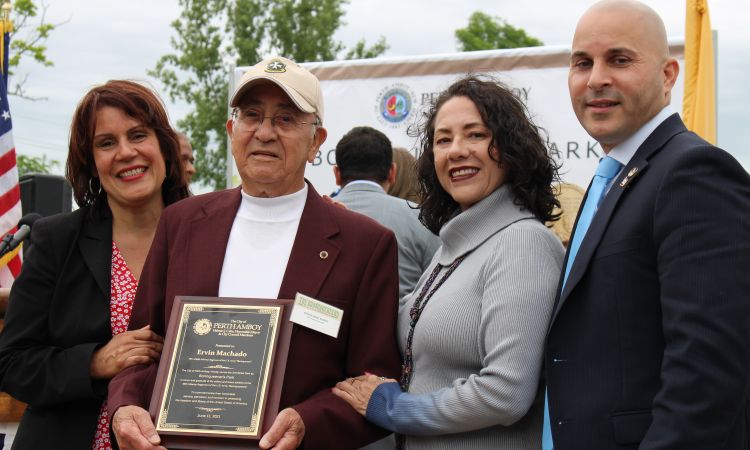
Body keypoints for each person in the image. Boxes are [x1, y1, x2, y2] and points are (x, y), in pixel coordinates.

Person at [107, 56, 401, 450]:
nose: (264, 132)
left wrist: (307, 423)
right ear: (232, 130)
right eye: (251, 115)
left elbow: (373, 381)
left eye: (285, 119)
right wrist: (125, 407)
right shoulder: (181, 224)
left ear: (316, 141)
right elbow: (143, 348)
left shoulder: (365, 244)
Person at [543, 1, 750, 449]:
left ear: (668, 76)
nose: (596, 78)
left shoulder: (694, 172)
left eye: (619, 59)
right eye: (582, 62)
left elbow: (705, 375)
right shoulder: (614, 178)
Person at [332, 76, 565, 449]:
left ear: (510, 148)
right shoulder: (451, 246)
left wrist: (395, 409)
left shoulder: (523, 243)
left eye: (475, 135)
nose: (456, 150)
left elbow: (506, 393)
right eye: (443, 140)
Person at [0, 80, 190, 449]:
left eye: (138, 135)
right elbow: (10, 362)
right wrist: (94, 362)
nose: (126, 152)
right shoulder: (57, 239)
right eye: (106, 143)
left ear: (164, 148)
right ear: (91, 161)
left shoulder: (208, 235)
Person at [333, 126, 440, 300]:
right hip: (399, 325)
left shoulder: (313, 218)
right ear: (392, 172)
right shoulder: (421, 218)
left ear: (337, 174)